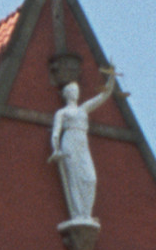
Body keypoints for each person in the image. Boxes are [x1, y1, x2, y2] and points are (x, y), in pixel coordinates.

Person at [49, 70, 122, 226]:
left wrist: (111, 79)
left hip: (82, 143)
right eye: (72, 91)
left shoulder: (83, 108)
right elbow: (56, 132)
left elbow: (102, 96)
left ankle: (86, 213)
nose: (75, 93)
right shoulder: (62, 112)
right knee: (74, 179)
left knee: (90, 179)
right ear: (67, 94)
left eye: (76, 90)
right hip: (69, 142)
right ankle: (78, 215)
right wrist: (55, 148)